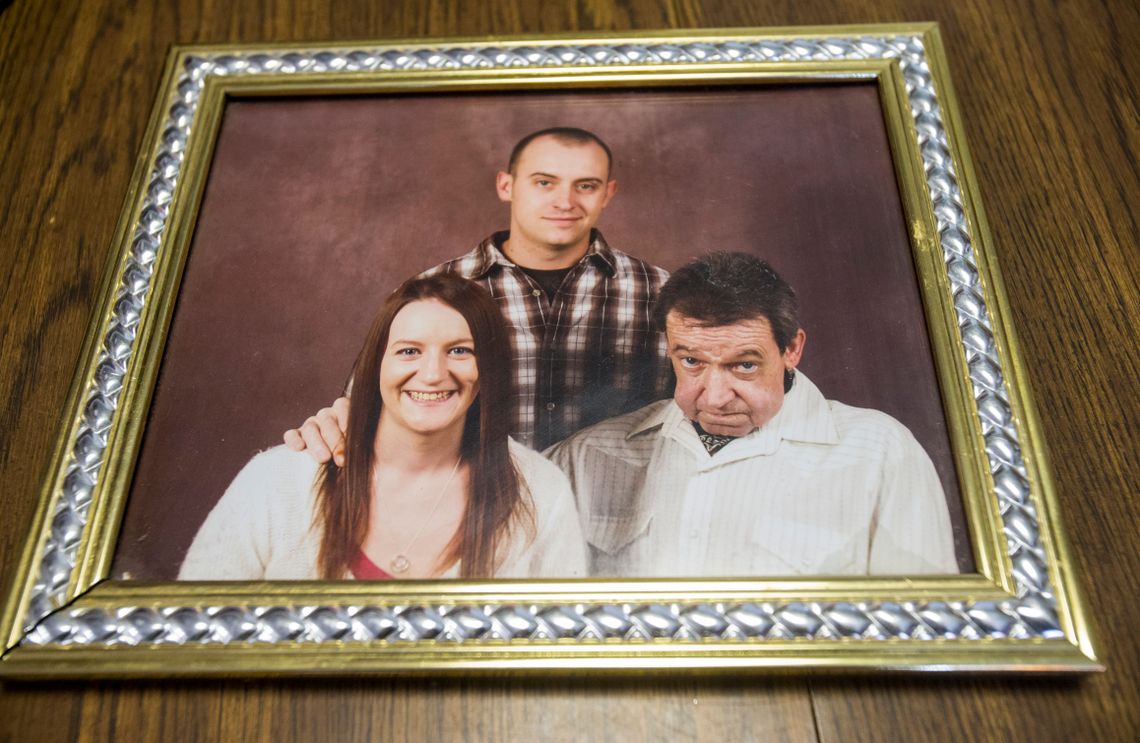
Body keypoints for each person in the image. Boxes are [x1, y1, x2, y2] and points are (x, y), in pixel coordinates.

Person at [546, 252, 959, 577]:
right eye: (691, 361)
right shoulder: (585, 456)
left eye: (744, 365)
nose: (716, 397)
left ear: (792, 349)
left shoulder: (880, 453)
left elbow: (924, 626)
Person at [284, 127, 671, 459]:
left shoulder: (659, 291)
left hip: (617, 524)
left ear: (608, 193)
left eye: (585, 186)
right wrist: (335, 421)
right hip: (474, 520)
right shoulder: (432, 293)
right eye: (544, 182)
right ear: (507, 185)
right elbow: (363, 408)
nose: (565, 201)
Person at [180, 274, 587, 580]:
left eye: (460, 351)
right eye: (409, 351)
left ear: (489, 369)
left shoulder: (541, 492)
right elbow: (189, 635)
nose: (432, 374)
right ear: (376, 366)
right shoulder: (281, 478)